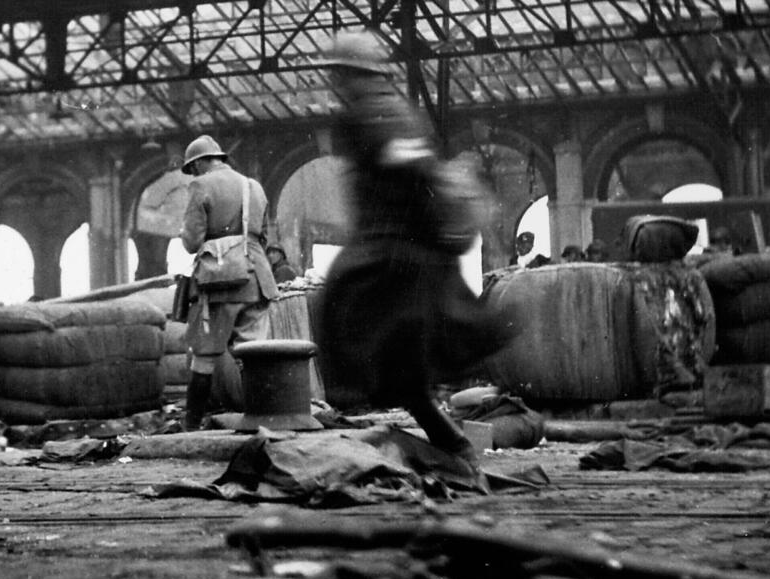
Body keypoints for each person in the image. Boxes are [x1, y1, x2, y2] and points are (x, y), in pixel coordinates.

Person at [314, 31, 517, 490]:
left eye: (338, 73)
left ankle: (458, 447)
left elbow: (409, 164)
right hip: (405, 253)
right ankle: (457, 447)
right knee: (401, 367)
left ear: (351, 74)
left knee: (358, 328)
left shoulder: (372, 110)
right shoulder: (387, 107)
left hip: (393, 258)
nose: (334, 81)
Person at [179, 134, 279, 430]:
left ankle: (191, 426)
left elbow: (192, 241)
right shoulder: (254, 186)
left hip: (217, 285)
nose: (193, 174)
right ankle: (264, 420)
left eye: (192, 168)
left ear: (200, 163)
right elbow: (262, 233)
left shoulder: (200, 185)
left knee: (204, 359)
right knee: (256, 355)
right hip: (256, 279)